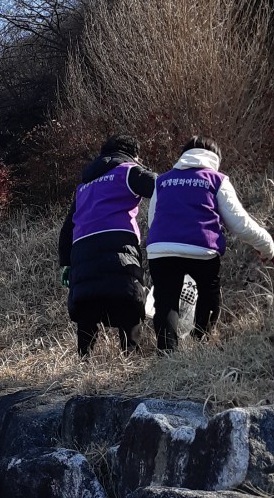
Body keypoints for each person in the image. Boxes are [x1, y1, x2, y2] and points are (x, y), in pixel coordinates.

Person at [147, 135, 274, 352]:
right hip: (202, 249)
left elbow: (153, 219)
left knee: (165, 301)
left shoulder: (163, 181)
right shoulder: (216, 179)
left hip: (161, 249)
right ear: (215, 158)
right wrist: (267, 245)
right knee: (209, 292)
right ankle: (201, 341)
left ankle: (167, 353)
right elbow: (240, 223)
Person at [58, 134, 157, 358]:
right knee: (129, 299)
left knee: (87, 305)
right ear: (133, 153)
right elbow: (161, 187)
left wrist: (66, 263)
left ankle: (84, 360)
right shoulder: (129, 170)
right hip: (118, 243)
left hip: (81, 250)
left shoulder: (84, 186)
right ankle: (129, 357)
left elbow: (67, 228)